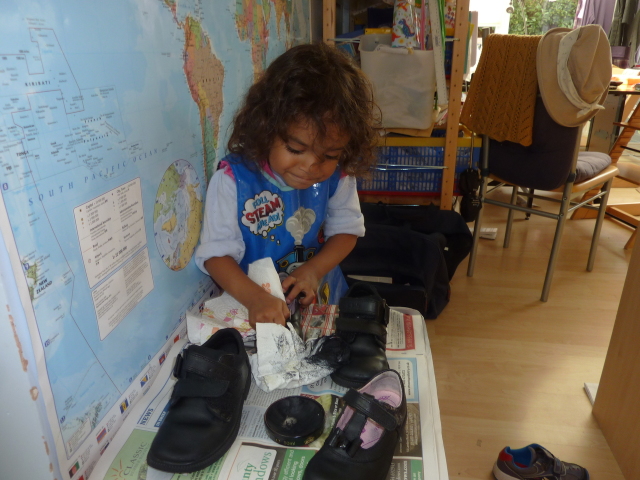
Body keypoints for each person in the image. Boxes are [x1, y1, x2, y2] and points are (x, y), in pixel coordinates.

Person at [195, 43, 379, 327]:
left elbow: (347, 231)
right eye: (296, 149)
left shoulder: (339, 174)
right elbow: (215, 257)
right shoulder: (233, 180)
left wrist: (313, 271)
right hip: (254, 308)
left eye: (329, 155)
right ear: (266, 127)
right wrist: (255, 298)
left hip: (320, 303)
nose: (311, 166)